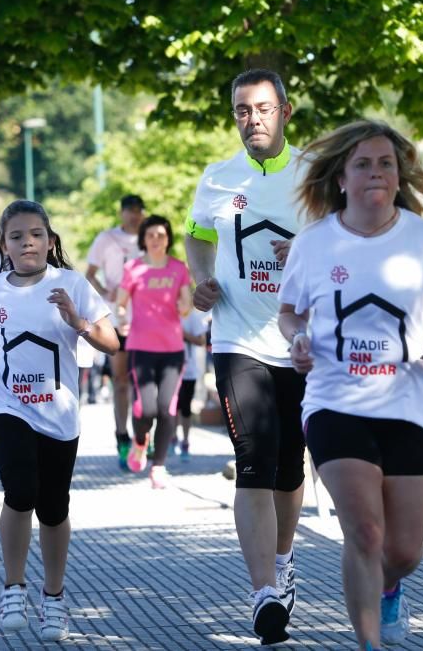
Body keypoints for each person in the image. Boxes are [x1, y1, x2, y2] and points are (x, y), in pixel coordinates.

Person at [277, 120, 423, 651]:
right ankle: (369, 646)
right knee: (364, 533)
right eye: (362, 164)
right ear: (341, 177)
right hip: (334, 402)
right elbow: (289, 313)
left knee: (405, 550)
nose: (375, 173)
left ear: (397, 174)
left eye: (385, 163)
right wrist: (298, 340)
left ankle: (390, 588)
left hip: (411, 403)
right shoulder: (315, 243)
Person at [185, 68, 308, 644]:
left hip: (303, 344)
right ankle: (263, 592)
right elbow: (196, 234)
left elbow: (353, 235)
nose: (251, 119)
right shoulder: (217, 178)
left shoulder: (317, 176)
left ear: (285, 111)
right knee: (254, 459)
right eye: (241, 110)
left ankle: (283, 563)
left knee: (290, 468)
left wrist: (306, 249)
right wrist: (202, 279)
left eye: (261, 108)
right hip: (237, 338)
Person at [0, 199, 119, 642]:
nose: (27, 242)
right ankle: (13, 587)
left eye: (35, 234)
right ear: (4, 245)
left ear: (50, 241)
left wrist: (78, 321)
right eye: (16, 236)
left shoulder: (72, 283)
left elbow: (112, 342)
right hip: (6, 406)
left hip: (58, 413)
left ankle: (53, 597)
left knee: (54, 508)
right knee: (21, 490)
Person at [116, 215, 193, 488]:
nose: (156, 239)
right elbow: (121, 303)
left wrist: (186, 306)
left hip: (172, 349)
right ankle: (139, 442)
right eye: (150, 235)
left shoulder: (178, 268)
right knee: (145, 408)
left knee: (166, 408)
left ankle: (158, 466)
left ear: (168, 238)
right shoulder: (134, 269)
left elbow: (185, 301)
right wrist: (122, 318)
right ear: (143, 240)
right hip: (141, 348)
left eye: (161, 234)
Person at [86, 194, 145, 468]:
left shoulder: (150, 237)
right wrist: (104, 293)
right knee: (121, 380)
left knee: (143, 381)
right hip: (116, 319)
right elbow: (90, 273)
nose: (134, 216)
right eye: (129, 211)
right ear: (121, 213)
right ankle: (122, 436)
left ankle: (143, 436)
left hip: (146, 320)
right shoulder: (106, 238)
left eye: (138, 211)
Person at [176, 307, 209, 460]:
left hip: (188, 369)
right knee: (170, 406)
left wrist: (183, 334)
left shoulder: (192, 316)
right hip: (169, 367)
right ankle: (171, 438)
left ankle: (185, 441)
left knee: (185, 407)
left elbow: (201, 340)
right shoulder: (165, 310)